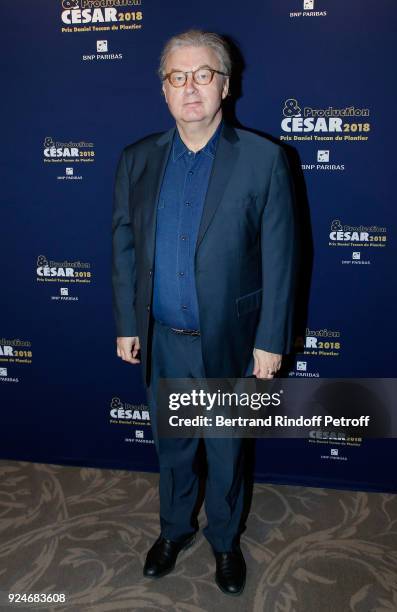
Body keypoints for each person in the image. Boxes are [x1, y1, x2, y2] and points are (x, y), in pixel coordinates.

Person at [112, 29, 297, 596]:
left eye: (203, 75)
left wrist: (271, 339)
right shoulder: (137, 159)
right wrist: (126, 323)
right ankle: (173, 531)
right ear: (164, 89)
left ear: (226, 84)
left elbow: (282, 255)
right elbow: (123, 245)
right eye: (177, 76)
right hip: (164, 337)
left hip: (233, 341)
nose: (190, 88)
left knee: (225, 449)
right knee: (174, 447)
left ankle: (224, 541)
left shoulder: (266, 159)